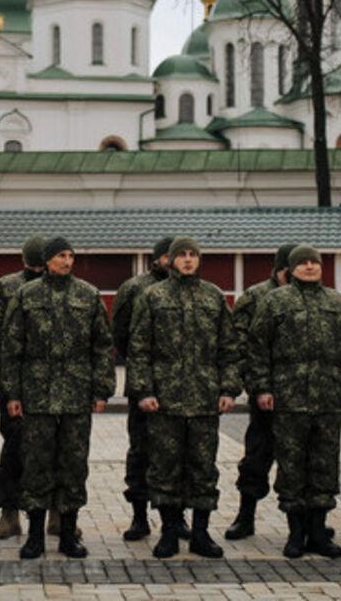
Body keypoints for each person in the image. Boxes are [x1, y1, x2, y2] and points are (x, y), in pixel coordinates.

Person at [0, 237, 114, 558]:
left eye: (70, 255)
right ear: (47, 260)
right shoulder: (26, 295)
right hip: (37, 396)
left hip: (76, 397)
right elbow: (12, 348)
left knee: (74, 466)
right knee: (36, 465)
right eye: (60, 256)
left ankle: (67, 534)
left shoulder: (87, 295)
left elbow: (102, 347)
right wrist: (12, 393)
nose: (67, 261)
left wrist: (101, 389)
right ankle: (34, 535)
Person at [127, 236, 241, 560]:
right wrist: (144, 391)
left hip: (205, 401)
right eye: (182, 255)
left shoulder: (214, 296)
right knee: (165, 468)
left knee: (203, 468)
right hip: (165, 401)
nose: (188, 260)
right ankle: (169, 532)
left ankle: (201, 533)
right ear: (171, 260)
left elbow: (229, 348)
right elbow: (139, 350)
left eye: (193, 255)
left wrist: (228, 389)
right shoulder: (153, 296)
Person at [248, 244, 341, 560]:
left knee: (324, 467)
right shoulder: (275, 302)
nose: (310, 267)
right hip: (289, 400)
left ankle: (318, 533)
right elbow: (258, 348)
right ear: (292, 268)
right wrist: (263, 388)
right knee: (292, 468)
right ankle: (296, 533)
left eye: (315, 262)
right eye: (303, 263)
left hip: (327, 401)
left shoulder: (338, 303)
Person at [224, 242, 294, 540]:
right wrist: (255, 386)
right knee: (257, 457)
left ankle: (304, 522)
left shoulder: (318, 297)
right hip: (266, 396)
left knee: (301, 462)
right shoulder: (255, 297)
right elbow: (240, 346)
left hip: (303, 398)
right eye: (287, 269)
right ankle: (245, 516)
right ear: (278, 269)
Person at [111, 235, 174, 541]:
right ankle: (139, 517)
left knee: (178, 457)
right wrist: (142, 372)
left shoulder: (198, 292)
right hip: (144, 387)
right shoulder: (135, 288)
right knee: (141, 453)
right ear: (158, 258)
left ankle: (176, 518)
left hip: (182, 391)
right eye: (170, 255)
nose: (176, 260)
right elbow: (121, 335)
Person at [0, 235, 46, 540]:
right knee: (13, 451)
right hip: (16, 380)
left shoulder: (62, 285)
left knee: (57, 452)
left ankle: (58, 514)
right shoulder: (8, 286)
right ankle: (9, 514)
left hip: (55, 385)